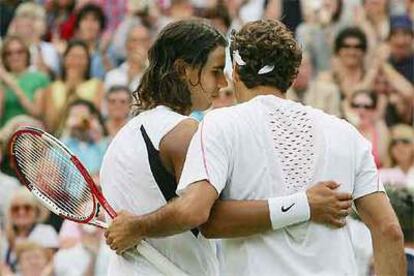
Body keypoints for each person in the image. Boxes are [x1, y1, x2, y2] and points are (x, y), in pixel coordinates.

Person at [105, 19, 406, 276]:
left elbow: (201, 215)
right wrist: (304, 205)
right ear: (292, 74)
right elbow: (389, 232)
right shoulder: (346, 133)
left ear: (236, 71)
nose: (222, 82)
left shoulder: (218, 125)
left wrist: (138, 227)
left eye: (224, 71)